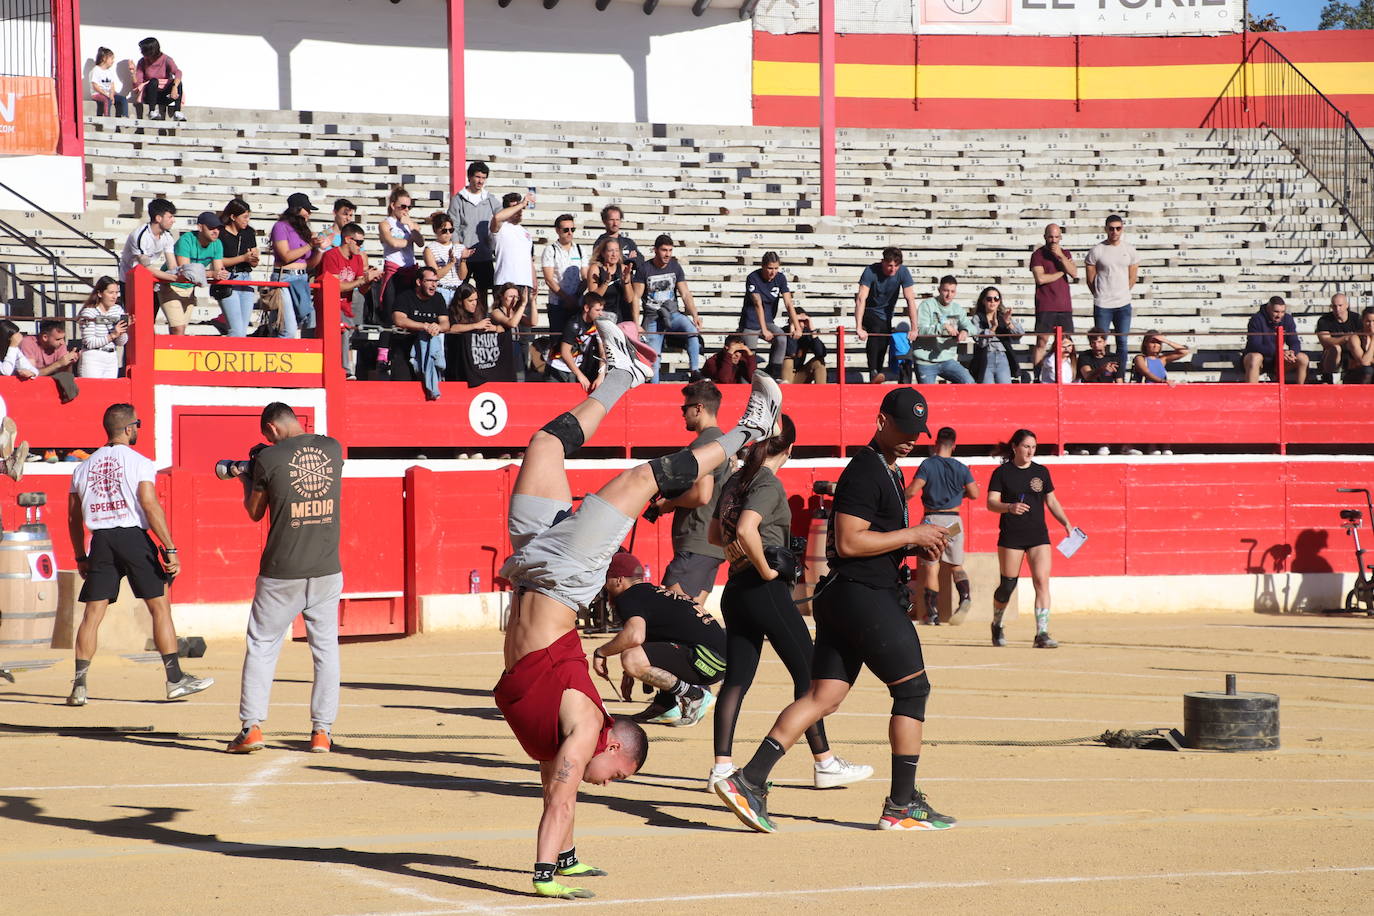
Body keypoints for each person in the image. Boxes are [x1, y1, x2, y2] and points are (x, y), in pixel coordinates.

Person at [494, 318, 777, 899]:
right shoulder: (586, 729)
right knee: (641, 477)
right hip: (566, 575)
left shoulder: (562, 739)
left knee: (545, 444)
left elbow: (558, 791)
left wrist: (565, 859)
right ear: (616, 746)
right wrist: (544, 873)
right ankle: (750, 431)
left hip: (532, 565)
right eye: (619, 776)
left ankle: (624, 374)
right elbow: (566, 792)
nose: (610, 783)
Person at [713, 387, 955, 834]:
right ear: (882, 421)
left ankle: (749, 779)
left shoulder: (884, 469)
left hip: (845, 596)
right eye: (903, 430)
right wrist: (911, 536)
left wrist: (915, 540)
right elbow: (848, 542)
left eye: (916, 433)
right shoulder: (866, 470)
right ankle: (901, 804)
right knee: (912, 690)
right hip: (863, 596)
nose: (910, 439)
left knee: (822, 697)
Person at [708, 413, 873, 792]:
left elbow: (716, 533)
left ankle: (721, 767)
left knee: (737, 679)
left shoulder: (736, 480)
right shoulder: (766, 480)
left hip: (735, 590)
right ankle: (825, 762)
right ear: (790, 448)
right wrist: (766, 569)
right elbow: (749, 528)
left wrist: (738, 553)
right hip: (764, 589)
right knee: (810, 677)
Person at [65, 403, 213, 706]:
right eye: (138, 425)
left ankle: (79, 687)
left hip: (101, 540)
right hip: (133, 538)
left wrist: (81, 556)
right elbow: (149, 503)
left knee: (92, 615)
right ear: (129, 427)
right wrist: (170, 546)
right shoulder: (139, 462)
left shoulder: (83, 467)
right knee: (159, 608)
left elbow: (72, 517)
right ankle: (174, 680)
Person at [225, 403, 344, 754]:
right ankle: (322, 732)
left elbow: (255, 511)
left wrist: (247, 475)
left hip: (282, 571)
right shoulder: (333, 448)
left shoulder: (269, 459)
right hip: (326, 568)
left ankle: (252, 728)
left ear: (273, 429)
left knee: (262, 646)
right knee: (325, 651)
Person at [595, 551, 726, 725]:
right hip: (716, 660)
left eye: (606, 580)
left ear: (619, 580)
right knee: (636, 654)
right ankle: (666, 705)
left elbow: (634, 636)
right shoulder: (650, 593)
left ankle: (696, 696)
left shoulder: (628, 596)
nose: (604, 586)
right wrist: (630, 672)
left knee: (631, 658)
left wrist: (601, 652)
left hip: (707, 660)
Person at [986, 428, 1074, 649]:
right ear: (1015, 447)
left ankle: (1041, 633)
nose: (1030, 451)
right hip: (1011, 535)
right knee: (1007, 585)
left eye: (1033, 447)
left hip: (1038, 535)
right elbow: (991, 503)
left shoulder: (1041, 472)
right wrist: (1009, 507)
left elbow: (1051, 501)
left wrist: (1065, 522)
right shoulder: (1002, 473)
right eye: (1026, 446)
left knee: (1042, 581)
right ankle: (997, 623)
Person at [644, 380, 729, 607]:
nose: (683, 414)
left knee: (674, 611)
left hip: (697, 538)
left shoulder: (703, 445)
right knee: (693, 616)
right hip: (711, 540)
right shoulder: (725, 443)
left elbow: (702, 495)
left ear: (698, 408)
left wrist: (668, 504)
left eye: (685, 408)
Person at [907, 426, 977, 626]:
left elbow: (913, 490)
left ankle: (933, 613)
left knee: (931, 566)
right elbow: (975, 494)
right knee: (957, 565)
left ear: (935, 443)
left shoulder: (928, 465)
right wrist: (959, 494)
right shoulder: (961, 467)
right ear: (954, 446)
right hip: (954, 521)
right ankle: (965, 598)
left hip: (933, 521)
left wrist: (897, 498)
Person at [319, 223, 381, 375]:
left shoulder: (358, 259)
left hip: (346, 304)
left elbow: (361, 288)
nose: (361, 246)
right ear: (347, 239)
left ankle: (343, 369)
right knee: (343, 331)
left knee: (348, 333)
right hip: (329, 303)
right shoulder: (331, 255)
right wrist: (362, 281)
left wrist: (369, 281)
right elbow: (335, 287)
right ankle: (345, 370)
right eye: (359, 242)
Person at [639, 235, 702, 383]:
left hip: (672, 313)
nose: (667, 254)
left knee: (692, 331)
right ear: (655, 250)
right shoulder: (645, 269)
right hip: (653, 317)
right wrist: (637, 323)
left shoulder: (675, 266)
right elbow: (636, 297)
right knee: (654, 356)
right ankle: (654, 389)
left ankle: (695, 371)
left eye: (670, 250)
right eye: (664, 250)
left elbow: (685, 293)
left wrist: (695, 315)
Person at [854, 247, 919, 383]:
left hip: (886, 314)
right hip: (869, 310)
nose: (893, 269)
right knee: (876, 328)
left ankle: (877, 373)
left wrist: (914, 328)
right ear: (883, 261)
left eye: (896, 266)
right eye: (890, 265)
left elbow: (910, 299)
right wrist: (859, 327)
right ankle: (873, 371)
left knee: (884, 340)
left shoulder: (903, 272)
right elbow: (861, 298)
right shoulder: (870, 271)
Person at [1084, 214, 1140, 364]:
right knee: (1100, 342)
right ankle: (1103, 374)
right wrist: (1100, 294)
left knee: (1122, 342)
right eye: (1111, 229)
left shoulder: (1129, 249)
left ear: (1122, 229)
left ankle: (1120, 375)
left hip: (1123, 304)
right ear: (1106, 229)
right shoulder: (1097, 250)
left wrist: (1122, 292)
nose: (1115, 232)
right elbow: (1090, 278)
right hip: (1103, 304)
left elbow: (1132, 277)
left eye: (1118, 228)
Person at [271, 193, 327, 338]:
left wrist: (320, 249)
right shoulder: (280, 227)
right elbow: (285, 256)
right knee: (288, 329)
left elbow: (308, 264)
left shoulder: (304, 230)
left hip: (301, 278)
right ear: (297, 209)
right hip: (285, 279)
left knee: (297, 323)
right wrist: (310, 245)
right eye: (307, 210)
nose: (309, 213)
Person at [118, 199, 179, 328]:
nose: (173, 220)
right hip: (130, 281)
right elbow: (144, 266)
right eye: (170, 217)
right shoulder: (140, 235)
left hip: (149, 280)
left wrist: (179, 273)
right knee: (133, 322)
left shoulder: (167, 237)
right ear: (158, 218)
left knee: (149, 322)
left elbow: (172, 265)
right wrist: (172, 277)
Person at [164, 210, 229, 332]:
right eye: (211, 228)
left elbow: (218, 270)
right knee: (178, 328)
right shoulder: (186, 240)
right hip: (170, 284)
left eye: (218, 228)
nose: (216, 231)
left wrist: (221, 273)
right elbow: (186, 271)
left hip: (188, 288)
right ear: (200, 227)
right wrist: (212, 273)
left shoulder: (217, 243)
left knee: (179, 329)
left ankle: (173, 350)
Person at [447, 161, 500, 310]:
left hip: (484, 253)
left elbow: (501, 216)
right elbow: (454, 226)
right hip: (464, 255)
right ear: (470, 177)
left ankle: (481, 319)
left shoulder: (490, 199)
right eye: (477, 177)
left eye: (483, 177)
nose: (480, 181)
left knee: (483, 290)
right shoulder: (458, 199)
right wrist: (458, 250)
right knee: (461, 290)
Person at [739, 252, 800, 379]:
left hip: (767, 320)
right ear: (763, 266)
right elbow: (757, 304)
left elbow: (788, 303)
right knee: (751, 354)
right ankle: (747, 380)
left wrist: (797, 326)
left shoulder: (780, 278)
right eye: (770, 268)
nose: (773, 272)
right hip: (750, 321)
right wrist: (764, 330)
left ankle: (774, 373)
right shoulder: (753, 277)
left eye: (776, 268)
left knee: (781, 338)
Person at [390, 266, 449, 394]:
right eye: (430, 281)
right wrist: (424, 326)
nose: (434, 285)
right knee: (402, 390)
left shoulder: (438, 298)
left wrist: (438, 327)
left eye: (436, 281)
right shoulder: (405, 297)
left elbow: (446, 323)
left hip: (428, 352)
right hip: (404, 349)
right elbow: (399, 319)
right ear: (419, 282)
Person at [1029, 223, 1077, 373]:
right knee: (1041, 341)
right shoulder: (1038, 255)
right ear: (1045, 237)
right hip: (1046, 304)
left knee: (1067, 343)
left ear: (1060, 237)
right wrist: (1061, 273)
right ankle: (1037, 376)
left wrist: (1061, 256)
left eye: (1056, 237)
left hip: (1064, 305)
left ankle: (1068, 375)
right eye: (1050, 236)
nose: (1053, 240)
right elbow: (1040, 278)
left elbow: (1074, 273)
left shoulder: (1065, 253)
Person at [914, 275, 975, 384]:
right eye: (946, 290)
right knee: (927, 395)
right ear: (939, 290)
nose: (949, 295)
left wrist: (965, 331)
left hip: (947, 359)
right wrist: (942, 327)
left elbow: (972, 327)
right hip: (925, 361)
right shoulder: (927, 305)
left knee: (969, 383)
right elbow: (920, 330)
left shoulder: (957, 308)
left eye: (952, 291)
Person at [490, 191, 538, 323]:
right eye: (514, 208)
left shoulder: (525, 232)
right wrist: (522, 203)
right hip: (505, 283)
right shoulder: (501, 227)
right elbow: (497, 218)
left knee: (524, 327)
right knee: (504, 324)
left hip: (524, 284)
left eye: (521, 208)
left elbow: (529, 259)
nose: (519, 211)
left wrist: (533, 281)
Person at [216, 198, 260, 338]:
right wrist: (243, 258)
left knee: (242, 329)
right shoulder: (220, 233)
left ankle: (223, 323)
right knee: (237, 332)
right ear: (233, 217)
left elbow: (253, 262)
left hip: (246, 279)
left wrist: (253, 259)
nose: (247, 220)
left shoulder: (249, 233)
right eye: (244, 217)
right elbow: (218, 261)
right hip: (228, 279)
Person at [545, 292, 605, 389]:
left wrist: (600, 375)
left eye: (602, 310)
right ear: (586, 308)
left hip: (575, 366)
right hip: (558, 366)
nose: (601, 313)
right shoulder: (573, 323)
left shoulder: (597, 325)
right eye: (597, 310)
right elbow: (565, 352)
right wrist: (580, 375)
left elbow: (603, 351)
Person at [1243, 295, 1308, 384]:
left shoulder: (1288, 319)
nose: (1279, 315)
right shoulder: (1256, 319)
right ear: (1268, 309)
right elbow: (1255, 345)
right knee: (1255, 357)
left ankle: (1300, 392)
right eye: (1276, 312)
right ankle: (1251, 394)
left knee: (1303, 358)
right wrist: (1280, 352)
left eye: (1282, 312)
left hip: (1277, 360)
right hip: (1260, 361)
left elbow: (1294, 341)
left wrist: (1292, 352)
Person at [378, 186, 424, 311]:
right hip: (394, 269)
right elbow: (393, 243)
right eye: (403, 206)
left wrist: (410, 226)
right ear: (393, 205)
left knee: (409, 309)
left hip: (410, 268)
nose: (406, 210)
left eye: (409, 207)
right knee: (391, 308)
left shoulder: (411, 224)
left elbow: (420, 243)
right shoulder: (385, 224)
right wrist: (410, 240)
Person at [541, 214, 587, 334]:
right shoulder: (550, 250)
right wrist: (566, 298)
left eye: (573, 229)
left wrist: (576, 297)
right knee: (557, 340)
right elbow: (549, 279)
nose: (570, 233)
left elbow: (585, 277)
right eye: (566, 230)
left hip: (577, 301)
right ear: (557, 230)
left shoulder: (580, 249)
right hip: (557, 303)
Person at [76, 278, 129, 379]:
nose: (114, 297)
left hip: (112, 357)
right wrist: (113, 335)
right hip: (93, 357)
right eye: (110, 293)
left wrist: (121, 332)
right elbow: (90, 342)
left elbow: (121, 342)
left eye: (116, 293)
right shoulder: (89, 312)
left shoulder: (117, 310)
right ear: (100, 294)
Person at [969, 286, 1023, 384]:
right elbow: (980, 341)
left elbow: (1019, 335)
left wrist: (1008, 323)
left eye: (996, 299)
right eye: (989, 299)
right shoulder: (977, 318)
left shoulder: (1003, 316)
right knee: (987, 391)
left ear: (999, 301)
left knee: (1005, 390)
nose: (993, 302)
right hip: (985, 357)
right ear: (983, 301)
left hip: (1002, 356)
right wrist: (993, 328)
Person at [586, 238, 640, 324]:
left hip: (621, 315)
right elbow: (593, 298)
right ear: (603, 253)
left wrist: (626, 282)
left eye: (617, 251)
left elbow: (629, 299)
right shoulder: (595, 269)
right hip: (602, 316)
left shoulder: (623, 268)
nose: (614, 254)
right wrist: (606, 282)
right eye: (610, 251)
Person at [132, 37, 183, 121]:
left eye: (143, 50)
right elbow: (138, 84)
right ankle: (152, 111)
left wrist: (174, 87)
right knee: (154, 81)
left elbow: (178, 72)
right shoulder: (142, 62)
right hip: (150, 95)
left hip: (165, 96)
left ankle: (177, 112)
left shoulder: (166, 59)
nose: (141, 52)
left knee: (178, 83)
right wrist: (133, 74)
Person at [1316, 293, 1360, 383]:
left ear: (1346, 305)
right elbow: (1325, 342)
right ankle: (1327, 377)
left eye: (1340, 305)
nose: (1337, 309)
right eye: (1334, 306)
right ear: (1331, 306)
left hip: (1353, 352)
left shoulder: (1357, 319)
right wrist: (1346, 338)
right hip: (1332, 355)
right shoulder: (1324, 320)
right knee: (1335, 348)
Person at [423, 212, 464, 306]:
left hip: (458, 290)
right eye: (444, 230)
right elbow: (435, 275)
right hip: (441, 289)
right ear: (435, 230)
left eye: (451, 230)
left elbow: (462, 276)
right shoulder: (430, 249)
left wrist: (463, 260)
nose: (448, 233)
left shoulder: (459, 247)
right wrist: (451, 263)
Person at [781, 307, 828, 384]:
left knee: (819, 362)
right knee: (788, 360)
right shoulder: (783, 332)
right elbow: (790, 353)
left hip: (798, 375)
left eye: (804, 321)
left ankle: (821, 393)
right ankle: (786, 392)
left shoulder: (806, 333)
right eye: (798, 321)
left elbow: (821, 353)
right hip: (781, 376)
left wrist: (812, 329)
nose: (801, 324)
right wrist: (792, 329)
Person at [594, 204, 644, 269]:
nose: (615, 223)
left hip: (627, 277)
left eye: (617, 220)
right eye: (611, 220)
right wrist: (627, 262)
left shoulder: (628, 242)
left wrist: (630, 262)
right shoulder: (600, 243)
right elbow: (600, 263)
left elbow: (641, 260)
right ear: (604, 221)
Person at [90, 47, 127, 118]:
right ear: (104, 58)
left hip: (109, 95)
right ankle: (107, 117)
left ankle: (125, 115)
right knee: (106, 99)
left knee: (122, 99)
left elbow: (112, 85)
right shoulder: (96, 70)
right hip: (98, 94)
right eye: (111, 58)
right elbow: (95, 86)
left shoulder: (109, 72)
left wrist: (112, 95)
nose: (113, 61)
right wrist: (106, 94)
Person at [1343, 306, 1374, 384]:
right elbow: (1364, 362)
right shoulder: (1355, 338)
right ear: (1362, 321)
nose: (1371, 325)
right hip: (1356, 374)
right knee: (1367, 370)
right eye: (1368, 321)